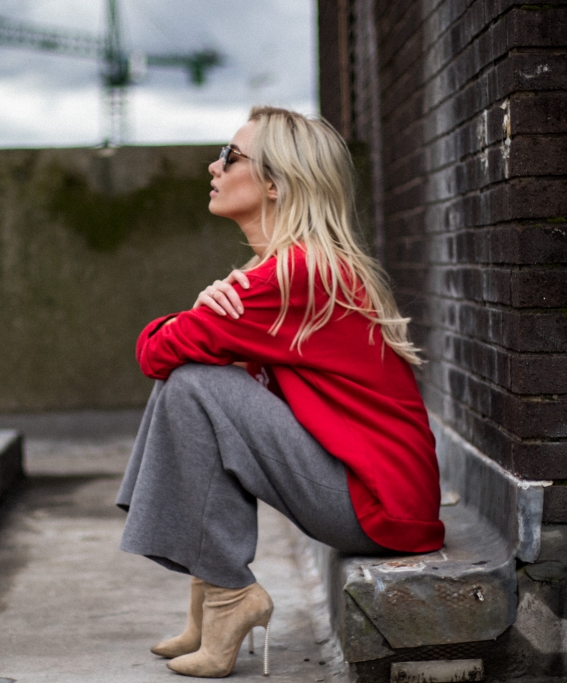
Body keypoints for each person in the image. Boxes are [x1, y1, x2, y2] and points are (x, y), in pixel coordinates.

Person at [116, 106, 444, 678]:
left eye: (230, 156)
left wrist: (193, 314)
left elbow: (154, 352)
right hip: (380, 497)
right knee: (195, 381)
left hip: (375, 506)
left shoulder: (292, 277)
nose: (214, 166)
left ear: (275, 183)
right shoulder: (299, 270)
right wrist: (199, 318)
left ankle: (228, 597)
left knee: (191, 382)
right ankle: (210, 596)